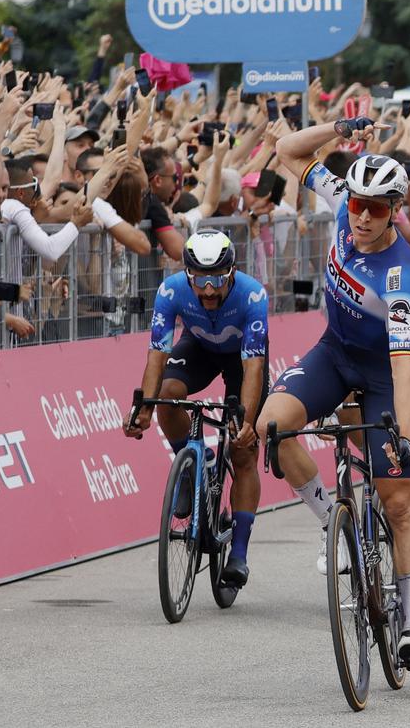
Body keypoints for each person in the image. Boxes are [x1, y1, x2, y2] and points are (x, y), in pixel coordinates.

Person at [261, 115, 410, 671]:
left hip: (383, 373)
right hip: (333, 352)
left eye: (376, 209)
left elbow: (405, 370)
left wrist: (404, 436)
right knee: (272, 427)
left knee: (400, 500)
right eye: (357, 203)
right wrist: (337, 129)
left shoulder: (402, 274)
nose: (361, 216)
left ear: (395, 212)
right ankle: (334, 524)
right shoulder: (343, 206)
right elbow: (286, 149)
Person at [123, 231, 269, 588]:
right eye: (200, 280)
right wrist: (144, 407)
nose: (207, 290)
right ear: (188, 274)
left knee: (242, 449)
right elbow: (156, 356)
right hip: (200, 348)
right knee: (168, 396)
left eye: (217, 280)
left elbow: (253, 368)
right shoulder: (171, 291)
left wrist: (246, 423)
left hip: (241, 360)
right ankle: (193, 466)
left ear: (232, 272)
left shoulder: (253, 295)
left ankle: (238, 553)